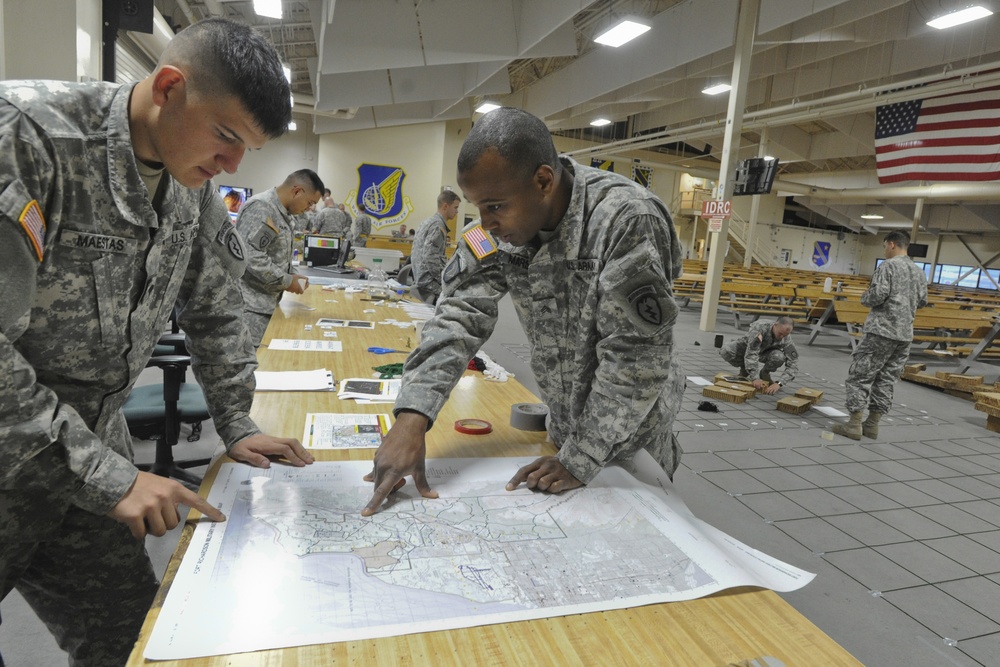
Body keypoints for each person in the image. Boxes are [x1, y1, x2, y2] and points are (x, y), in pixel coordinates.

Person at [0, 18, 315, 666]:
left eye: (246, 149)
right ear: (168, 87)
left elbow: (215, 308)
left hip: (84, 454)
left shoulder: (189, 182)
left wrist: (235, 420)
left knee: (131, 640)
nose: (232, 165)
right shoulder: (27, 136)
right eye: (226, 135)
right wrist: (106, 473)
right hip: (23, 449)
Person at [362, 107, 685, 516]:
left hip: (632, 445)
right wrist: (413, 415)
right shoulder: (496, 230)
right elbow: (457, 314)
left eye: (495, 206)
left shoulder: (624, 218)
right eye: (477, 207)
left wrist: (580, 459)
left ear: (543, 181)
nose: (485, 223)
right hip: (565, 434)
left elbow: (637, 360)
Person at [832, 231, 928, 440]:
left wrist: (863, 297)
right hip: (904, 335)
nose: (884, 250)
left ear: (892, 245)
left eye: (885, 246)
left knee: (860, 376)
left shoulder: (888, 266)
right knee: (886, 379)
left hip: (881, 331)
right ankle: (872, 425)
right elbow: (922, 301)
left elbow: (877, 295)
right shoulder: (919, 272)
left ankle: (854, 424)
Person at [235, 169, 323, 346]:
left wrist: (294, 275)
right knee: (251, 366)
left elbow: (277, 254)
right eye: (310, 202)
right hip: (250, 308)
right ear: (297, 191)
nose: (310, 208)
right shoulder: (262, 208)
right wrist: (287, 280)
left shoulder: (282, 213)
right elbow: (251, 257)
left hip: (266, 304)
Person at [719, 317, 799, 395]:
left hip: (765, 353)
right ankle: (744, 370)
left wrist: (779, 383)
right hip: (746, 348)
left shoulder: (786, 338)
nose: (782, 337)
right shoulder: (760, 327)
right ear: (775, 325)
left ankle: (765, 373)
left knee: (779, 357)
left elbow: (793, 364)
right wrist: (755, 377)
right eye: (780, 333)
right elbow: (751, 353)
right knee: (726, 351)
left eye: (785, 335)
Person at [410, 190, 461, 304]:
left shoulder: (428, 222)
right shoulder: (438, 226)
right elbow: (430, 257)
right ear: (445, 206)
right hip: (428, 282)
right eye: (455, 207)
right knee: (458, 298)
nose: (457, 211)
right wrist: (444, 281)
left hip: (420, 279)